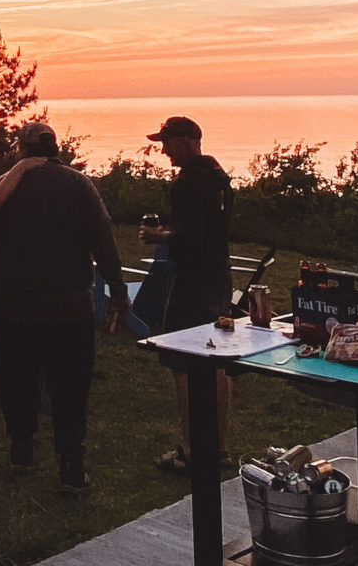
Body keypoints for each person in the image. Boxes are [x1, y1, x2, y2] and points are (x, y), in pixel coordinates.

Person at [0, 121, 129, 492]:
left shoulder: (3, 186)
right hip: (69, 309)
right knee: (70, 385)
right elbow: (103, 241)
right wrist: (118, 289)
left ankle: (20, 449)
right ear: (55, 148)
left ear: (22, 149)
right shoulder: (79, 185)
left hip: (14, 307)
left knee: (16, 380)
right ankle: (71, 463)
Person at [141, 116, 234, 475]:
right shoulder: (218, 177)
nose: (163, 150)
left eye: (166, 142)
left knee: (182, 363)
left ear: (184, 141)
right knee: (217, 362)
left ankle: (193, 451)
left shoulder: (187, 185)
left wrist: (160, 237)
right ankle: (220, 448)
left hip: (192, 282)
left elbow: (190, 239)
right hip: (218, 276)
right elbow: (212, 233)